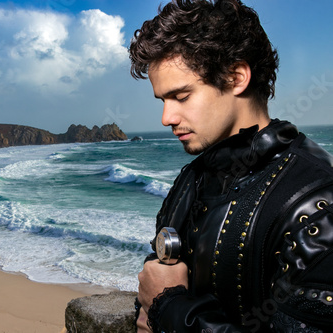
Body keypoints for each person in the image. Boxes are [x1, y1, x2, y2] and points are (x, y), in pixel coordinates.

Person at [129, 0, 333, 332]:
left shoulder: (318, 202)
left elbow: (162, 297)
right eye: (162, 100)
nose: (166, 118)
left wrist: (167, 306)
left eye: (181, 97)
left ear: (236, 78)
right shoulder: (191, 179)